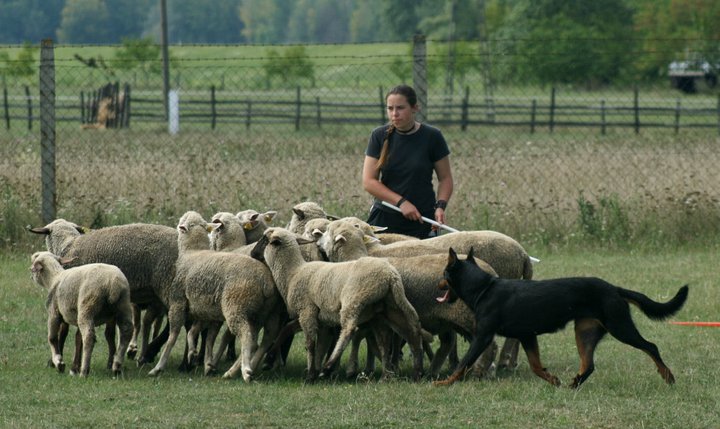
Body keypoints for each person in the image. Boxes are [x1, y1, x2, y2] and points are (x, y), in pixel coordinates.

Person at [362, 84, 454, 239]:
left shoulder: (433, 137)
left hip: (422, 219)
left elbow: (445, 178)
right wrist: (401, 203)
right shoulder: (378, 136)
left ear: (415, 108)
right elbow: (369, 181)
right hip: (385, 218)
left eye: (400, 108)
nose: (394, 114)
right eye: (390, 108)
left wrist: (440, 207)